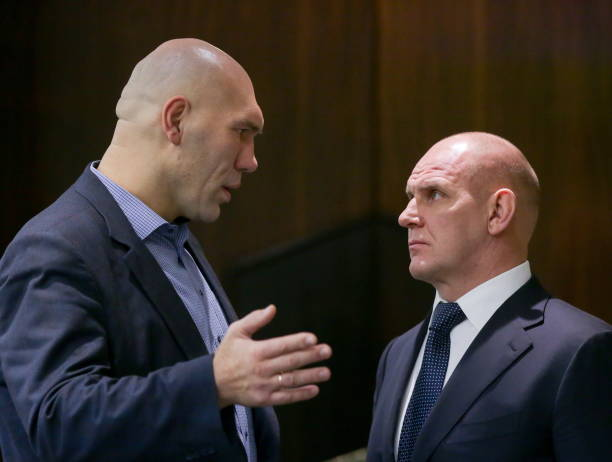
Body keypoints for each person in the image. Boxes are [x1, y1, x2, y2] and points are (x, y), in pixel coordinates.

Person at [0, 38, 332, 462]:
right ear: (176, 120)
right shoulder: (54, 246)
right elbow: (59, 425)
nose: (251, 161)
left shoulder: (174, 240)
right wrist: (214, 382)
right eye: (242, 131)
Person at [366, 132, 611, 461]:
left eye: (434, 194)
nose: (406, 216)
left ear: (498, 211)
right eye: (411, 196)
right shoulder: (396, 353)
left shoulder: (580, 349)